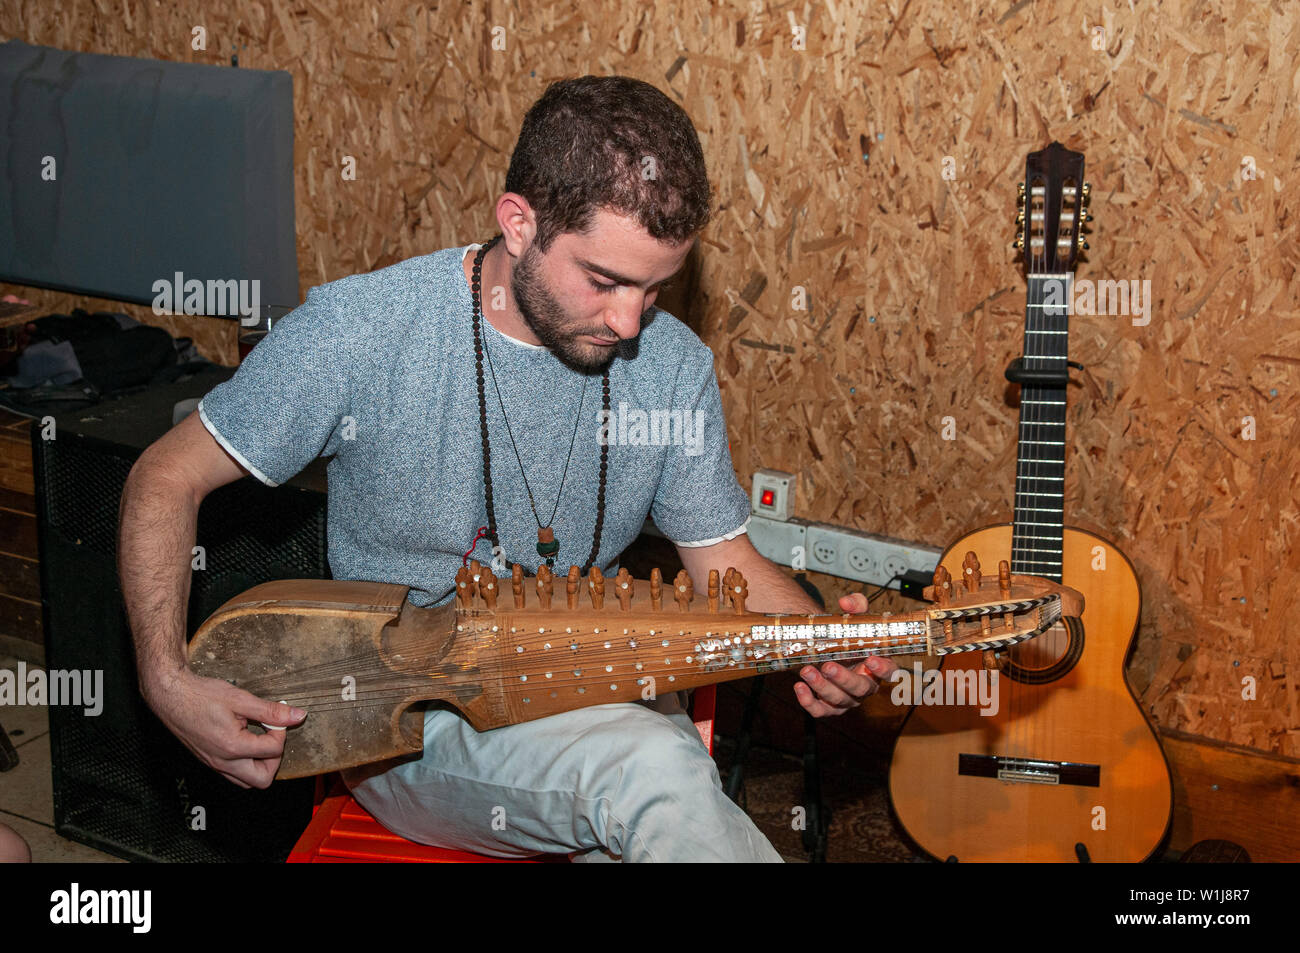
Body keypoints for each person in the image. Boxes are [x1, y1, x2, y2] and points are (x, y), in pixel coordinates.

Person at [118, 75, 897, 862]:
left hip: (597, 694)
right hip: (414, 725)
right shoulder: (360, 331)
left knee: (658, 784)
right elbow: (164, 476)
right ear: (518, 223)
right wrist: (164, 677)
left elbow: (723, 561)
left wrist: (819, 638)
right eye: (604, 280)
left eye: (656, 288)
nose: (630, 322)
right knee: (655, 774)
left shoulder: (672, 364)